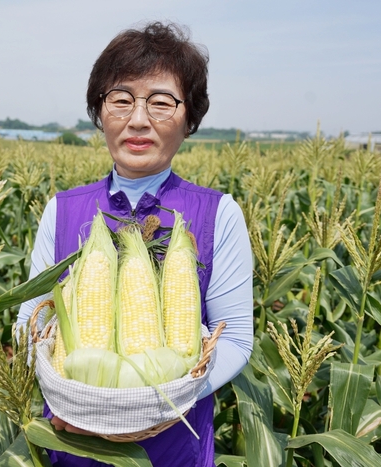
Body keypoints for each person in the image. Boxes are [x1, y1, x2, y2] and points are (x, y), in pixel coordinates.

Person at [16, 21, 253, 467]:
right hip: (75, 442)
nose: (139, 119)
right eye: (121, 100)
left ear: (190, 120)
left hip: (173, 447)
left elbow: (237, 338)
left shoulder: (218, 214)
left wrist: (154, 405)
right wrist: (73, 401)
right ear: (100, 113)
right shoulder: (61, 210)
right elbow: (29, 322)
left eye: (161, 102)